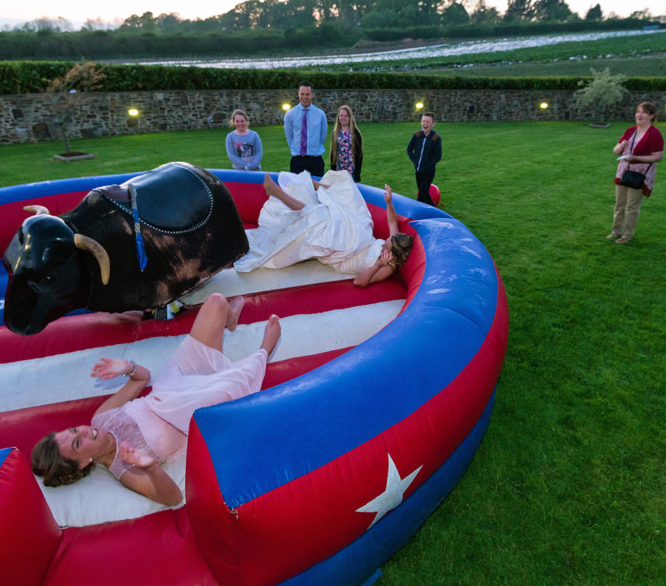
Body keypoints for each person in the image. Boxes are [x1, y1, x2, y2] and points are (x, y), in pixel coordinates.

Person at [31, 294, 281, 505]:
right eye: (77, 444)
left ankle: (229, 318)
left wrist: (126, 367)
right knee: (227, 389)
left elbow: (143, 379)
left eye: (75, 430)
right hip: (198, 403)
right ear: (84, 463)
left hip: (177, 382)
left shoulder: (101, 417)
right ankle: (265, 350)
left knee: (215, 302)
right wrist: (150, 466)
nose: (84, 432)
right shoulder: (125, 469)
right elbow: (173, 499)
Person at [234, 170, 413, 287]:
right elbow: (392, 223)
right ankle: (321, 188)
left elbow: (360, 282)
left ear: (393, 255)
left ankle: (281, 194)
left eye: (386, 245)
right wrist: (389, 202)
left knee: (321, 221)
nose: (384, 244)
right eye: (387, 241)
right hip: (360, 237)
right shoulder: (394, 241)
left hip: (344, 255)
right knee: (345, 201)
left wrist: (378, 263)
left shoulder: (387, 268)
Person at [608, 102, 664, 244]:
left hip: (640, 174)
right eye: (638, 111)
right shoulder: (630, 130)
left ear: (651, 116)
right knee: (619, 204)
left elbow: (658, 156)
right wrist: (621, 146)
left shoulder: (654, 134)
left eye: (644, 112)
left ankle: (627, 235)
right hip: (623, 171)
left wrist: (636, 158)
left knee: (631, 206)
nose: (639, 115)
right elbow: (615, 150)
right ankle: (616, 231)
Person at [283, 82, 328, 177]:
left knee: (316, 190)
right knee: (297, 190)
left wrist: (313, 147)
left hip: (315, 160)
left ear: (312, 95)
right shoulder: (290, 114)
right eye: (302, 94)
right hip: (297, 160)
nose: (304, 97)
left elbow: (322, 136)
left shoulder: (320, 114)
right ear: (298, 94)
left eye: (307, 94)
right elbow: (289, 136)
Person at [406, 113, 442, 205]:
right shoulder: (417, 135)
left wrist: (428, 166)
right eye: (423, 121)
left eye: (428, 122)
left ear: (433, 124)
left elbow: (438, 156)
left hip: (428, 172)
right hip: (418, 170)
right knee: (424, 193)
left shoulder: (435, 138)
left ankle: (417, 212)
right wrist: (414, 160)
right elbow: (409, 149)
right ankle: (432, 205)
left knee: (421, 195)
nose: (425, 124)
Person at [330, 105, 364, 183]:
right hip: (339, 170)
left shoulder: (355, 133)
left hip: (351, 170)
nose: (343, 118)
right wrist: (333, 170)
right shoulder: (335, 133)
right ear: (338, 117)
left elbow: (359, 155)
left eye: (346, 116)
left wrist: (357, 174)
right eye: (341, 115)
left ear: (350, 117)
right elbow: (333, 153)